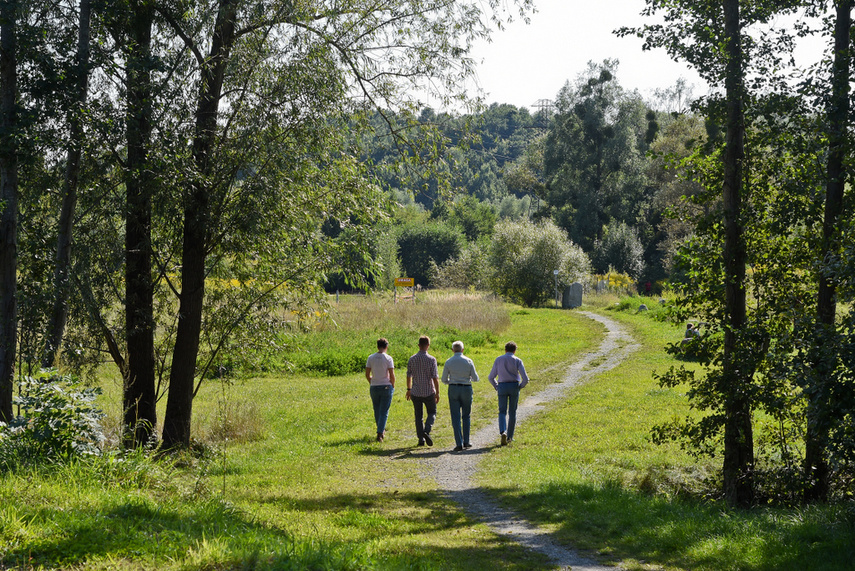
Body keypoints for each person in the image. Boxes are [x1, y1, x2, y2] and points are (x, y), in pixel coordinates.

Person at [441, 340, 479, 452]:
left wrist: (451, 382)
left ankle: (459, 443)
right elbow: (476, 378)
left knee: (455, 416)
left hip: (453, 388)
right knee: (466, 415)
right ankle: (467, 441)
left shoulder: (449, 362)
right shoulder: (468, 361)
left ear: (453, 350)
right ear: (463, 349)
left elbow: (443, 379)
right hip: (466, 388)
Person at [488, 341, 529, 446]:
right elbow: (525, 378)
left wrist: (497, 386)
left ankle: (503, 431)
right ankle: (510, 436)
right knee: (512, 412)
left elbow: (491, 377)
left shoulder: (498, 359)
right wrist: (520, 386)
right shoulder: (518, 360)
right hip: (514, 385)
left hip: (502, 386)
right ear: (515, 350)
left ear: (505, 350)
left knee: (502, 411)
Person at [406, 335, 439, 447]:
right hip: (429, 391)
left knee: (418, 416)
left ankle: (421, 439)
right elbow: (435, 377)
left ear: (419, 345)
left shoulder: (412, 359)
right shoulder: (432, 360)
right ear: (428, 345)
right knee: (432, 412)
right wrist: (437, 392)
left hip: (415, 391)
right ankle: (427, 430)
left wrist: (409, 389)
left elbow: (408, 375)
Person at [365, 337, 395, 442]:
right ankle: (380, 432)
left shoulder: (370, 358)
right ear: (386, 347)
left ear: (377, 346)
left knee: (376, 410)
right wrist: (393, 385)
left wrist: (372, 381)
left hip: (374, 386)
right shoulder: (388, 358)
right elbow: (392, 375)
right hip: (386, 385)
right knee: (384, 411)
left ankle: (380, 429)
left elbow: (367, 374)